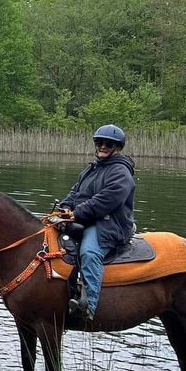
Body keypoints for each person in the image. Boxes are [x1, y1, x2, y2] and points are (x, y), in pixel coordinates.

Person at [59, 124, 136, 322]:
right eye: (99, 142)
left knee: (89, 252)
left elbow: (106, 201)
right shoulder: (91, 169)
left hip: (110, 224)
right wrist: (65, 207)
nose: (102, 146)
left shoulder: (121, 173)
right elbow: (75, 191)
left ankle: (88, 306)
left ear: (117, 147)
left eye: (108, 144)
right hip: (84, 218)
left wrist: (76, 214)